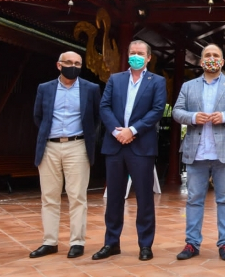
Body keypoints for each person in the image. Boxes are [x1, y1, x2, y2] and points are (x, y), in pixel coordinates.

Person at [171, 44, 225, 261]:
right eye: (208, 55)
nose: (212, 58)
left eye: (216, 55)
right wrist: (192, 117)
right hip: (196, 152)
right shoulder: (188, 86)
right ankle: (191, 243)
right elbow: (177, 111)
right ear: (201, 61)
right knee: (194, 200)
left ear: (222, 62)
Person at [93, 40, 167, 261]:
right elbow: (104, 107)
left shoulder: (157, 81)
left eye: (140, 53)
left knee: (144, 197)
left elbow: (157, 110)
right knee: (114, 197)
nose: (136, 56)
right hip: (115, 145)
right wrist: (118, 132)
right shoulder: (115, 79)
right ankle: (111, 243)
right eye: (132, 52)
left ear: (149, 58)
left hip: (141, 146)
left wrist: (133, 130)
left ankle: (145, 245)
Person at [30, 51, 100, 259]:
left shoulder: (91, 89)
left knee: (77, 197)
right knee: (49, 197)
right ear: (59, 65)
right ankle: (49, 242)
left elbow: (96, 118)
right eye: (69, 62)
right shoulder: (45, 88)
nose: (74, 66)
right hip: (49, 147)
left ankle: (77, 242)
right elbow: (38, 116)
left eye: (78, 63)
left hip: (77, 146)